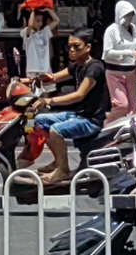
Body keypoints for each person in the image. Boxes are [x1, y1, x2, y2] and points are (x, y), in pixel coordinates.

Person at [29, 30, 112, 186]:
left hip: (91, 121)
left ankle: (63, 169)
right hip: (78, 115)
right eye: (69, 47)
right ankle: (57, 162)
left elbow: (79, 95)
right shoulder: (77, 66)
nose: (72, 50)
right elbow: (53, 78)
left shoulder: (94, 67)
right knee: (40, 120)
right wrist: (25, 81)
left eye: (76, 47)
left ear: (88, 48)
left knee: (56, 130)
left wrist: (48, 101)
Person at [103, 1, 136, 113]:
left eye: (131, 14)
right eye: (126, 14)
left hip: (131, 71)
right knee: (121, 105)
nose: (129, 17)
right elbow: (107, 53)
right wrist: (128, 52)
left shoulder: (133, 28)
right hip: (115, 72)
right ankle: (109, 125)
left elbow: (135, 46)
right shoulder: (111, 30)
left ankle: (128, 129)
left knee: (132, 107)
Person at [22, 6, 59, 81]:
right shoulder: (27, 33)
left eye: (41, 21)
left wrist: (48, 9)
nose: (40, 23)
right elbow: (30, 25)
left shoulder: (45, 32)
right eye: (37, 20)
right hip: (33, 70)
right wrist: (33, 11)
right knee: (34, 91)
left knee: (47, 91)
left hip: (46, 69)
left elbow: (56, 20)